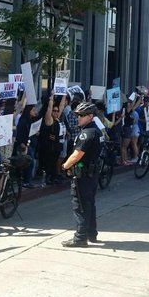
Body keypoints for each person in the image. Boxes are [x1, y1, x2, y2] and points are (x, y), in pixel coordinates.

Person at [61, 102, 103, 247]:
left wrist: (64, 166)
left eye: (81, 115)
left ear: (90, 116)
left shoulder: (87, 133)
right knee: (89, 203)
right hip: (92, 173)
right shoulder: (97, 130)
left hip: (84, 175)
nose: (78, 118)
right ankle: (92, 234)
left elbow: (77, 154)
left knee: (80, 206)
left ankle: (80, 238)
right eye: (77, 115)